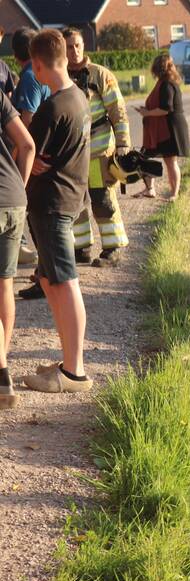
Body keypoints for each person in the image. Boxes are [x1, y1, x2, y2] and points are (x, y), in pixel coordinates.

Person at [21, 29, 92, 394]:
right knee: (50, 280)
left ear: (36, 64)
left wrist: (29, 161)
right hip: (67, 199)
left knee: (65, 283)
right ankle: (67, 361)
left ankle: (74, 373)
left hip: (52, 205)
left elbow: (32, 156)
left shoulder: (51, 107)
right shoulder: (77, 97)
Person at [64, 28, 130, 266]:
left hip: (99, 151)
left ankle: (113, 248)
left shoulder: (100, 75)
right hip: (74, 154)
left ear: (84, 46)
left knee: (102, 198)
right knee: (76, 201)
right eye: (69, 46)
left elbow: (118, 112)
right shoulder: (60, 75)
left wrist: (123, 145)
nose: (74, 51)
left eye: (77, 45)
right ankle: (82, 248)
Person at [0, 89, 37, 407]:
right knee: (4, 284)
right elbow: (27, 145)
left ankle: (1, 372)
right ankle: (2, 362)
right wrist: (18, 188)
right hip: (13, 199)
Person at [12, 27, 50, 299]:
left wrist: (19, 157)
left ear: (15, 55)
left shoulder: (27, 78)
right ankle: (44, 273)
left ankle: (43, 276)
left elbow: (27, 119)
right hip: (45, 153)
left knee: (37, 219)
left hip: (32, 157)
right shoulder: (43, 74)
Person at [136, 54, 189, 200]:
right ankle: (150, 189)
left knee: (171, 161)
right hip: (161, 128)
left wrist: (147, 113)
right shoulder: (165, 82)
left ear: (157, 69)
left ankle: (174, 194)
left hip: (169, 129)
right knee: (144, 158)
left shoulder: (167, 85)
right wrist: (146, 111)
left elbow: (166, 108)